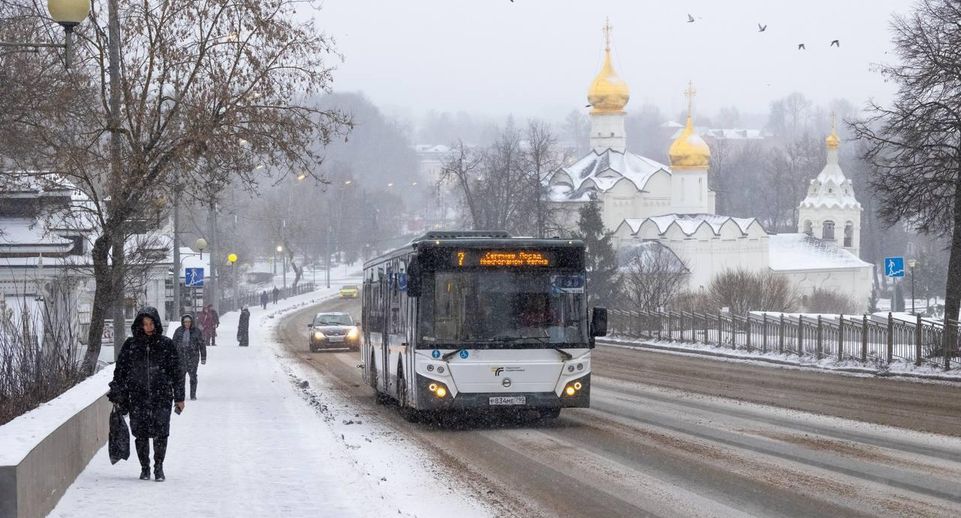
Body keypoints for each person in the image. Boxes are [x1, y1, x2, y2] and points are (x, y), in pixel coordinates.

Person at [110, 307, 184, 481]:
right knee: (141, 434)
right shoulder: (131, 345)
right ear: (140, 325)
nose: (148, 327)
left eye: (151, 323)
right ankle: (145, 468)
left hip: (162, 396)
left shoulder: (166, 345)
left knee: (161, 433)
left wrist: (179, 397)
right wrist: (117, 392)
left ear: (156, 323)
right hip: (138, 397)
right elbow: (120, 371)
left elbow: (177, 372)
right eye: (145, 324)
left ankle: (159, 467)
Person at [171, 314, 206, 400]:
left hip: (193, 357)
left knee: (193, 377)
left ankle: (193, 395)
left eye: (189, 322)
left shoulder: (197, 331)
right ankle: (181, 395)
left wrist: (203, 357)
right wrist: (172, 356)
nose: (187, 323)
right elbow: (173, 344)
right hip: (181, 357)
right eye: (185, 322)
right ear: (183, 322)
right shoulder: (178, 331)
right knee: (181, 378)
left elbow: (202, 345)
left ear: (191, 322)